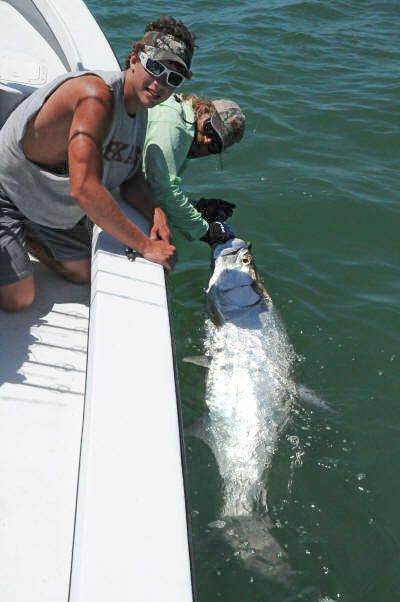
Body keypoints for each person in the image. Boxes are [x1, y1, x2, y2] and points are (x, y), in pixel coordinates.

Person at [0, 16, 195, 312]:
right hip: (7, 192)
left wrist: (155, 210)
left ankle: (26, 238)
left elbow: (130, 176)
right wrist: (145, 245)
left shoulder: (139, 107)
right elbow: (84, 189)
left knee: (82, 273)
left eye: (173, 78)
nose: (160, 84)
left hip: (44, 204)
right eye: (155, 68)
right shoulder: (96, 96)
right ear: (133, 59)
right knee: (19, 299)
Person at [122, 91, 245, 247]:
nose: (207, 140)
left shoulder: (181, 115)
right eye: (209, 128)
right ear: (201, 108)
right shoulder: (176, 128)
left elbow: (157, 181)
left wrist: (197, 207)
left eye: (215, 144)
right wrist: (205, 231)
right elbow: (162, 190)